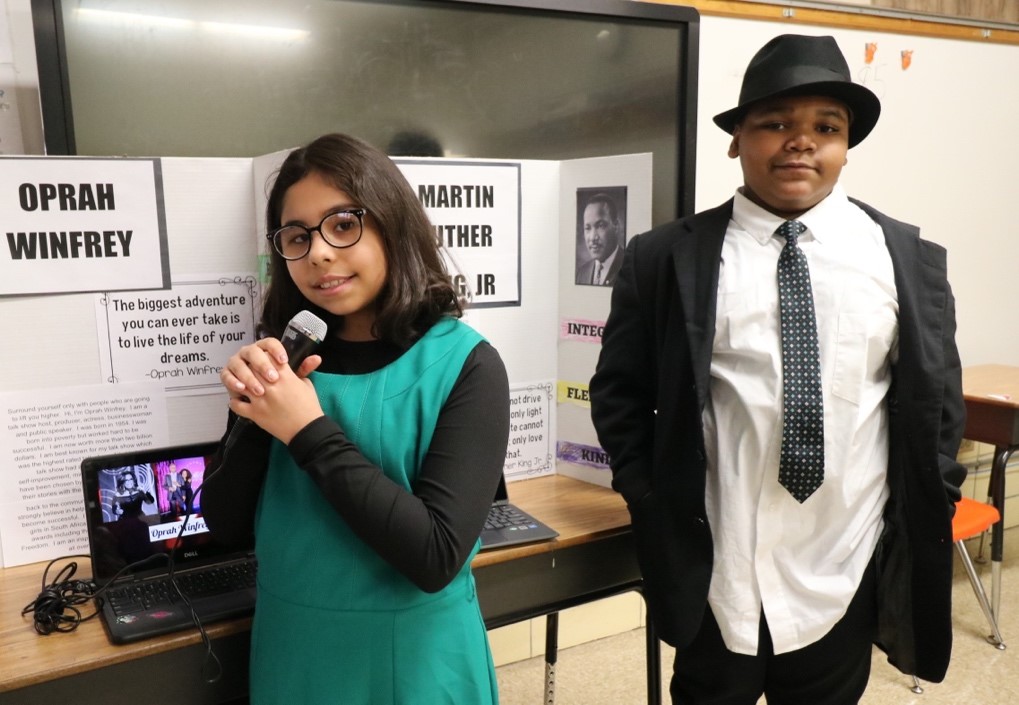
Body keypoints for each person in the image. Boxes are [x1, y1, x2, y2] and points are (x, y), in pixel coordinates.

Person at [589, 34, 966, 704]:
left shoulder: (905, 262)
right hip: (716, 568)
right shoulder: (661, 259)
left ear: (846, 146)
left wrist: (928, 500)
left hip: (841, 566)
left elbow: (935, 403)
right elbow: (619, 392)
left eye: (826, 127)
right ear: (736, 138)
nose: (800, 141)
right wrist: (646, 495)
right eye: (774, 123)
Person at [201, 132, 509, 704]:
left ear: (393, 224)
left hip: (416, 660)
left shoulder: (466, 364)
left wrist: (306, 431)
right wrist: (251, 411)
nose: (318, 253)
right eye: (297, 237)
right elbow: (224, 527)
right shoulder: (286, 359)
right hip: (294, 650)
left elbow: (435, 555)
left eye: (343, 225)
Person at [575, 192, 623, 286]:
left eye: (600, 226)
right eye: (588, 228)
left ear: (616, 226)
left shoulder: (629, 267)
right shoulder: (581, 273)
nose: (593, 237)